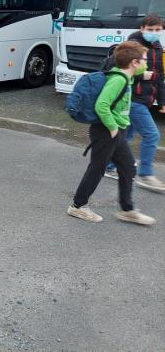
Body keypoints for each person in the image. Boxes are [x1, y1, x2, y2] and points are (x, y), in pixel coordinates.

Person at [68, 41, 156, 226]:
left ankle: (127, 209)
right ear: (134, 62)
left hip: (114, 131)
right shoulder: (119, 79)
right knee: (97, 168)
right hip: (106, 131)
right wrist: (113, 127)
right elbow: (102, 105)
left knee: (128, 168)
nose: (147, 64)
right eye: (144, 60)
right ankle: (78, 206)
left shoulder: (127, 78)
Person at [105, 14, 165, 192]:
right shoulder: (132, 45)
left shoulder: (157, 46)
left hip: (146, 99)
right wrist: (142, 75)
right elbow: (118, 68)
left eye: (158, 30)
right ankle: (146, 175)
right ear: (142, 29)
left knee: (126, 136)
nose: (154, 33)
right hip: (132, 98)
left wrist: (162, 101)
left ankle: (108, 166)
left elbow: (160, 76)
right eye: (150, 30)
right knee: (152, 135)